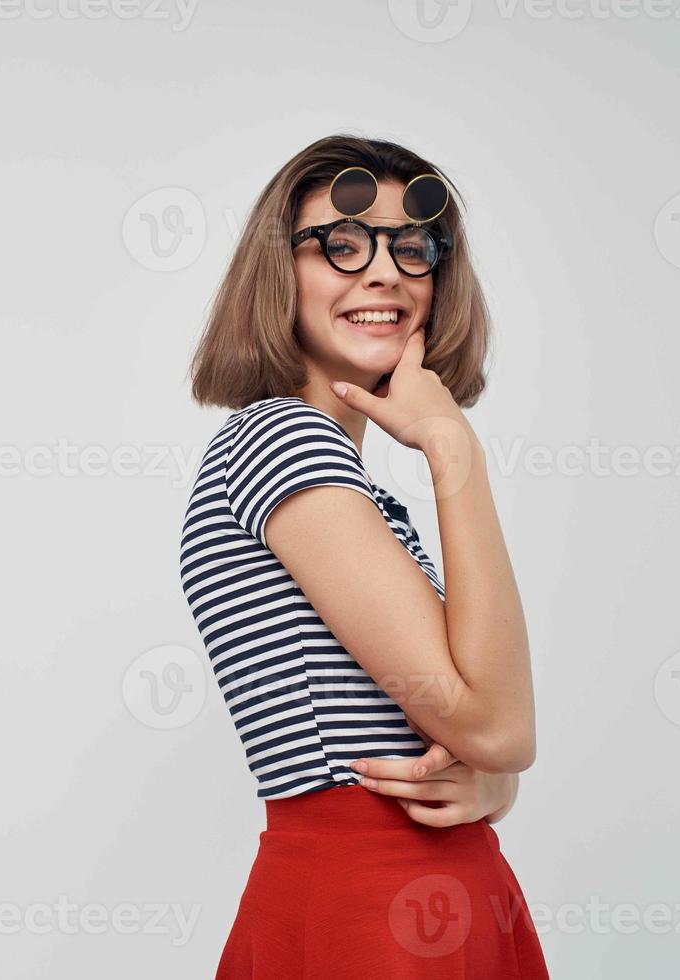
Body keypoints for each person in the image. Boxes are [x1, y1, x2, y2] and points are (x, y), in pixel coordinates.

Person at [178, 134, 549, 978]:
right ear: (280, 272)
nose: (383, 273)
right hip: (375, 903)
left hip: (423, 890)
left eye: (410, 248)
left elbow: (481, 729)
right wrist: (453, 448)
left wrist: (495, 786)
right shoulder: (282, 438)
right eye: (341, 244)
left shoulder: (344, 481)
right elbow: (496, 723)